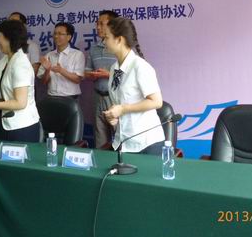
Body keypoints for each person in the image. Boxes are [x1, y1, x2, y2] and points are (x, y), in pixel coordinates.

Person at [102, 17, 164, 155]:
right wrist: (114, 116)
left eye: (106, 37)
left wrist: (123, 109)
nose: (103, 41)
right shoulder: (114, 68)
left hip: (146, 143)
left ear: (119, 39)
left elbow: (157, 101)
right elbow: (120, 101)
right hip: (123, 140)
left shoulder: (140, 66)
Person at [85, 10, 119, 148]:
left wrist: (108, 75)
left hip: (116, 98)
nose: (98, 27)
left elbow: (128, 74)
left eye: (101, 24)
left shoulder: (121, 47)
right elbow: (86, 72)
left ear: (112, 26)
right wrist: (92, 75)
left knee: (120, 138)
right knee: (100, 139)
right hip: (98, 97)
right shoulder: (94, 48)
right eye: (97, 24)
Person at [37, 22, 85, 99]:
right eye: (55, 33)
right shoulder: (49, 55)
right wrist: (47, 70)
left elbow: (77, 79)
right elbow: (44, 82)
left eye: (60, 34)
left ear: (69, 37)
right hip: (52, 97)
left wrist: (61, 71)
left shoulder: (77, 54)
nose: (56, 36)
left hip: (71, 97)